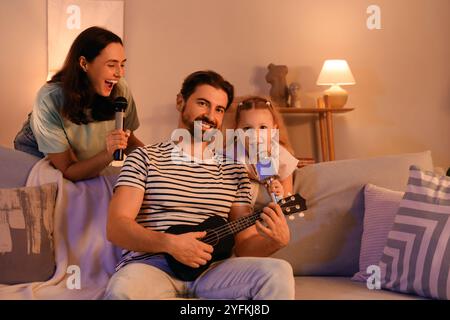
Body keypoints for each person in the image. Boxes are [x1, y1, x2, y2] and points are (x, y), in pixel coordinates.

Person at [104, 70, 295, 300]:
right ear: (180, 101)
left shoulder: (234, 170)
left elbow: (244, 245)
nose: (210, 115)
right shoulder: (144, 158)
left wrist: (275, 241)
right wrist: (171, 244)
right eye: (203, 103)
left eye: (219, 109)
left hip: (213, 270)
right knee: (122, 291)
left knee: (277, 272)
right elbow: (116, 227)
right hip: (152, 266)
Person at [14, 26, 144, 182]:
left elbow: (128, 140)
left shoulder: (120, 88)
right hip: (37, 150)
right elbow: (69, 170)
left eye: (122, 64)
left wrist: (157, 163)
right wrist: (108, 154)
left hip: (79, 156)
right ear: (84, 63)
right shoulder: (49, 99)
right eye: (111, 65)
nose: (120, 73)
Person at [232, 96, 299, 210]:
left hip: (271, 210)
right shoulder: (232, 154)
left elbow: (289, 199)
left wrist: (280, 192)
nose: (255, 135)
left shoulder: (280, 156)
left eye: (263, 127)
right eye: (247, 128)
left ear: (273, 131)